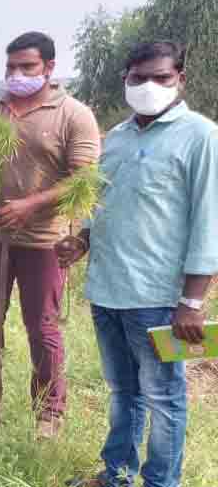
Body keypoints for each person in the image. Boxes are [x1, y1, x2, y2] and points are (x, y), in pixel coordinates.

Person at [58, 41, 217, 487]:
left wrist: (192, 300)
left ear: (180, 79)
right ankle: (117, 473)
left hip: (160, 300)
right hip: (107, 291)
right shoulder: (119, 136)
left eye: (161, 77)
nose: (149, 86)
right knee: (123, 392)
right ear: (125, 80)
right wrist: (83, 240)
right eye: (138, 78)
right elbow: (102, 202)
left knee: (164, 397)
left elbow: (209, 222)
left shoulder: (201, 137)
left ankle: (160, 481)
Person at [0, 31, 100, 437]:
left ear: (49, 68)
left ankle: (49, 411)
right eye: (11, 67)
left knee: (43, 327)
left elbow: (83, 179)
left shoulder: (73, 114)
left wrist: (30, 206)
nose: (17, 74)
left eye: (27, 67)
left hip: (43, 240)